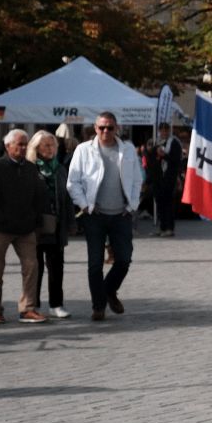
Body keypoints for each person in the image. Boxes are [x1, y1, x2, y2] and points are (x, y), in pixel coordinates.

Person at [67, 111, 141, 321]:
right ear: (95, 129)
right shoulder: (84, 150)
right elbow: (73, 182)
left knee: (124, 259)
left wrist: (132, 204)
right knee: (95, 263)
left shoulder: (127, 150)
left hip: (121, 214)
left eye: (109, 127)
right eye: (101, 127)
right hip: (95, 214)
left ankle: (108, 290)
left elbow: (136, 180)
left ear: (116, 128)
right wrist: (85, 205)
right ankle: (98, 305)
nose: (105, 131)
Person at [0, 128, 49, 325]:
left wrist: (35, 220)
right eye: (19, 144)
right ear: (7, 145)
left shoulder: (30, 168)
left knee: (31, 267)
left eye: (25, 144)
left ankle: (27, 308)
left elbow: (38, 196)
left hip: (25, 229)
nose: (23, 147)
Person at [26, 131, 73, 318]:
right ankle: (33, 304)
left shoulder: (60, 169)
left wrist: (71, 221)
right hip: (35, 226)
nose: (50, 149)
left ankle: (56, 304)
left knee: (57, 267)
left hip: (57, 225)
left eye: (52, 145)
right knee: (35, 267)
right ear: (36, 148)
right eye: (46, 145)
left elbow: (67, 197)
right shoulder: (30, 169)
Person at [149, 123, 184, 236]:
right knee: (159, 203)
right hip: (158, 178)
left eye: (166, 130)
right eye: (162, 130)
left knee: (168, 203)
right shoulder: (157, 142)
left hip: (169, 177)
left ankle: (169, 228)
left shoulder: (174, 143)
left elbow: (176, 160)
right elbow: (151, 159)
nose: (164, 133)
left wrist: (164, 155)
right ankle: (162, 227)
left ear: (169, 131)